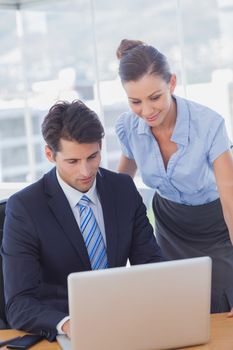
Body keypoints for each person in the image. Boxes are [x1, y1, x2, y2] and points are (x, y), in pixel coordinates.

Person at [1, 100, 164, 341]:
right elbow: (19, 304)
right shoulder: (25, 208)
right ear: (50, 154)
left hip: (122, 323)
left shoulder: (123, 189)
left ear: (100, 146)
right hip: (63, 332)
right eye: (73, 162)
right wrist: (68, 325)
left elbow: (151, 265)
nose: (86, 171)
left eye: (92, 156)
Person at [115, 39, 233, 315]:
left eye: (154, 97)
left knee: (222, 310)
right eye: (135, 101)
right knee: (177, 311)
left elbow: (230, 200)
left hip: (215, 226)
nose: (146, 111)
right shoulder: (129, 126)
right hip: (169, 226)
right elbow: (120, 186)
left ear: (172, 83)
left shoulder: (209, 125)